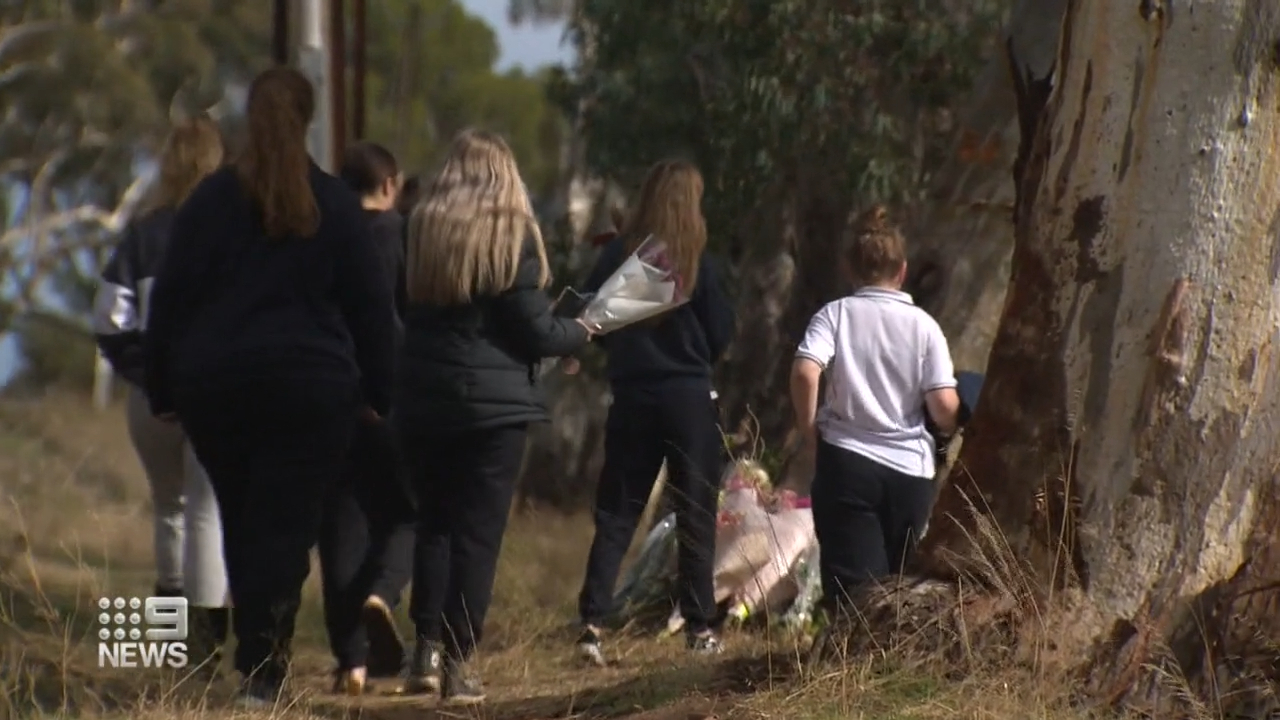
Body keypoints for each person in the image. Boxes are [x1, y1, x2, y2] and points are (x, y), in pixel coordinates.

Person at [141, 66, 397, 707]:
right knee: (285, 528)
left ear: (247, 120)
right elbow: (371, 310)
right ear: (307, 120)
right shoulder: (335, 204)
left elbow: (168, 302)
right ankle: (262, 665)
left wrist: (162, 388)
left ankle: (260, 661)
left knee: (243, 519)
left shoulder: (207, 203)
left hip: (216, 388)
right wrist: (380, 395)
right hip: (310, 392)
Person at [395, 128, 592, 704]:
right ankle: (460, 664)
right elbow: (533, 330)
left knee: (433, 523)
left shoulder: (420, 229)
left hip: (423, 398)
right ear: (506, 177)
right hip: (493, 411)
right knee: (476, 537)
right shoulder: (511, 239)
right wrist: (579, 332)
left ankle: (424, 652)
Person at [572, 159, 736, 666]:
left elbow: (588, 317)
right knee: (694, 513)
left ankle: (593, 624)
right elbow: (722, 333)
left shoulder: (621, 258)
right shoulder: (698, 261)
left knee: (618, 511)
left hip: (634, 396)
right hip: (688, 398)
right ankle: (699, 626)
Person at [91, 116, 231, 673]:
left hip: (151, 399)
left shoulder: (143, 235)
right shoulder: (232, 234)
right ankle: (205, 644)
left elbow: (108, 317)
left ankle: (168, 640)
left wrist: (144, 374)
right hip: (216, 395)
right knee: (208, 512)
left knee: (169, 510)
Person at [789, 205, 959, 619]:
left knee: (853, 592)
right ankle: (891, 671)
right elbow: (942, 406)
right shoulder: (925, 327)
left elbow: (805, 371)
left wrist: (809, 428)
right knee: (901, 587)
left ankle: (849, 669)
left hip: (847, 463)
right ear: (902, 271)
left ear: (849, 268)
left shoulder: (835, 315)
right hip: (910, 474)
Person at [319, 141, 417, 695]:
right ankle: (383, 592)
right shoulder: (399, 235)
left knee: (340, 527)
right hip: (392, 395)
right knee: (408, 513)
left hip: (330, 397)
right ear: (390, 183)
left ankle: (350, 661)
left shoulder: (322, 237)